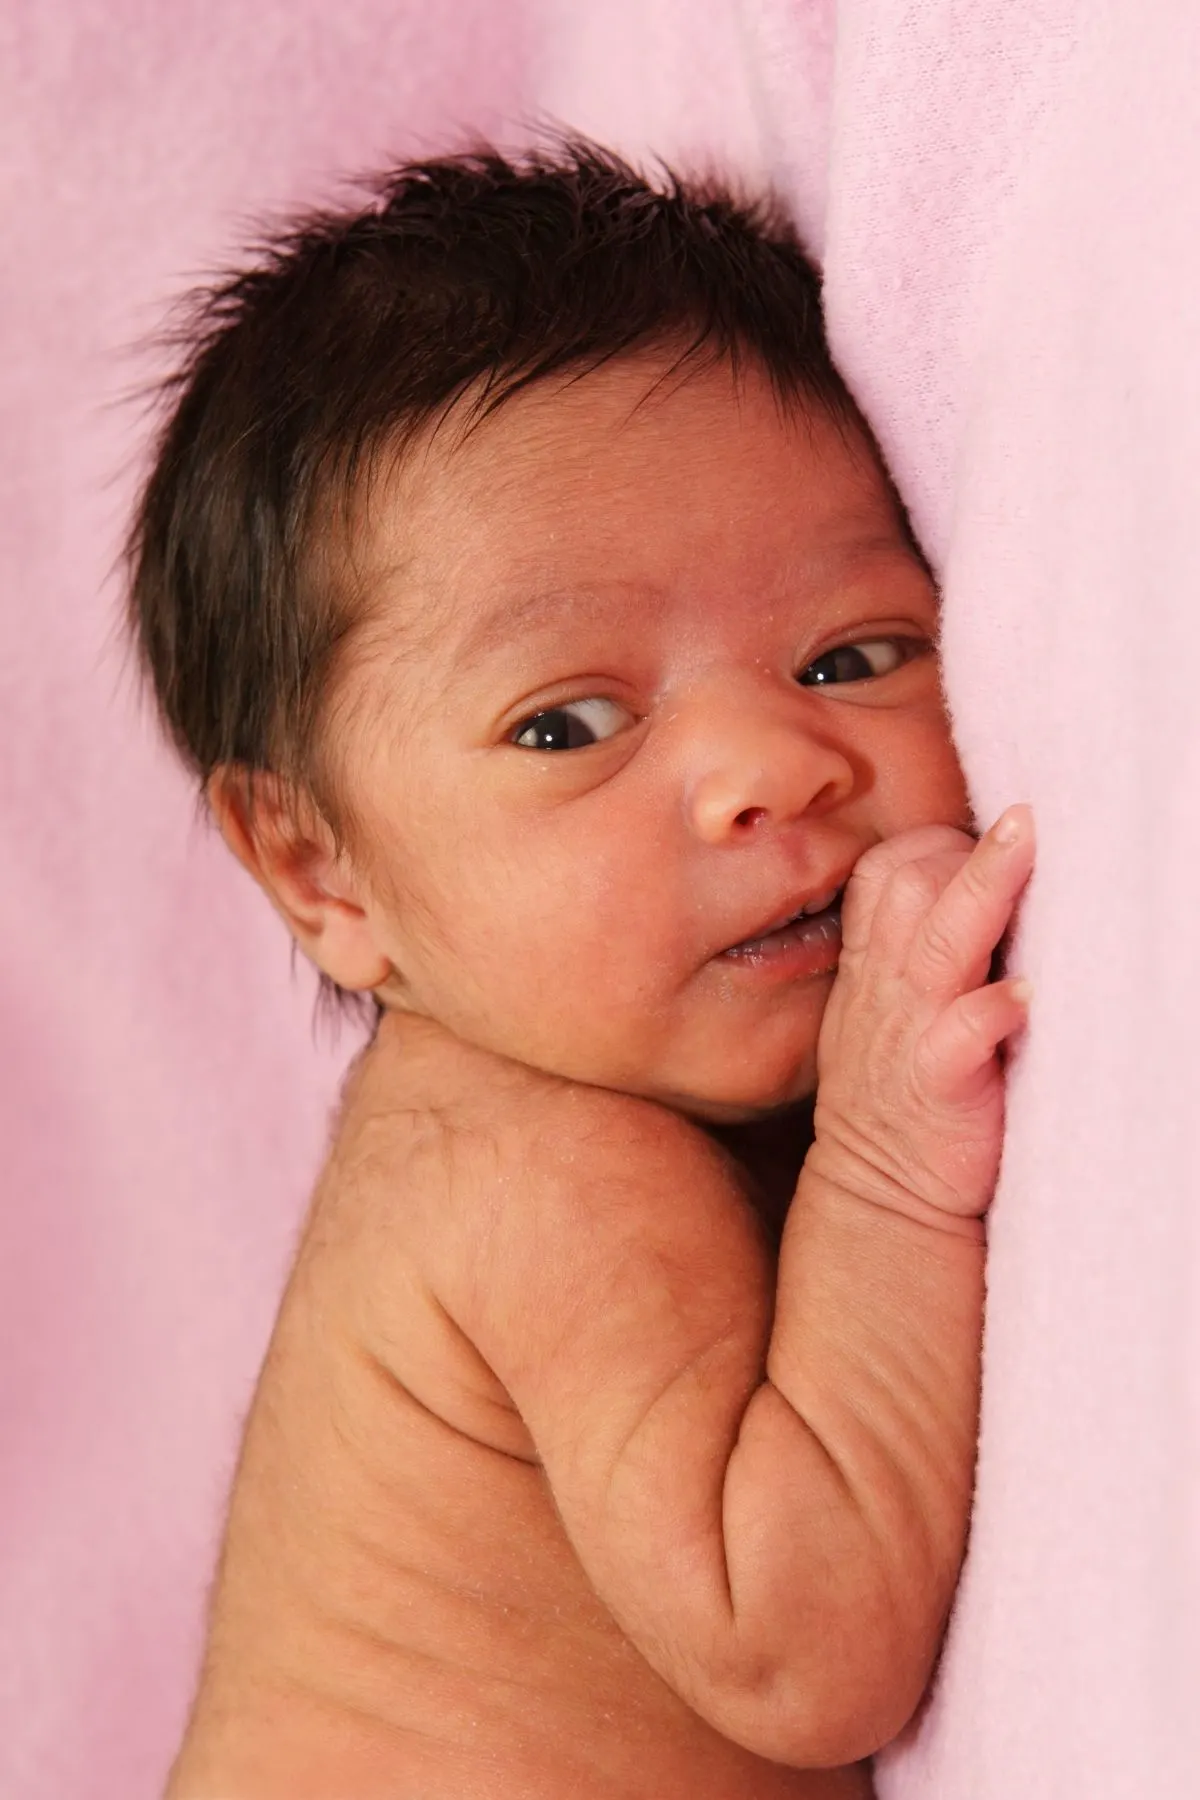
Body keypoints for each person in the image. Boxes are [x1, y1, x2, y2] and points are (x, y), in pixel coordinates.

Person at [127, 140, 1033, 1798]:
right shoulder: (537, 1167)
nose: (771, 765)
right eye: (570, 724)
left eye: (852, 655)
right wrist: (895, 1176)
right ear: (323, 870)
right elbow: (802, 1641)